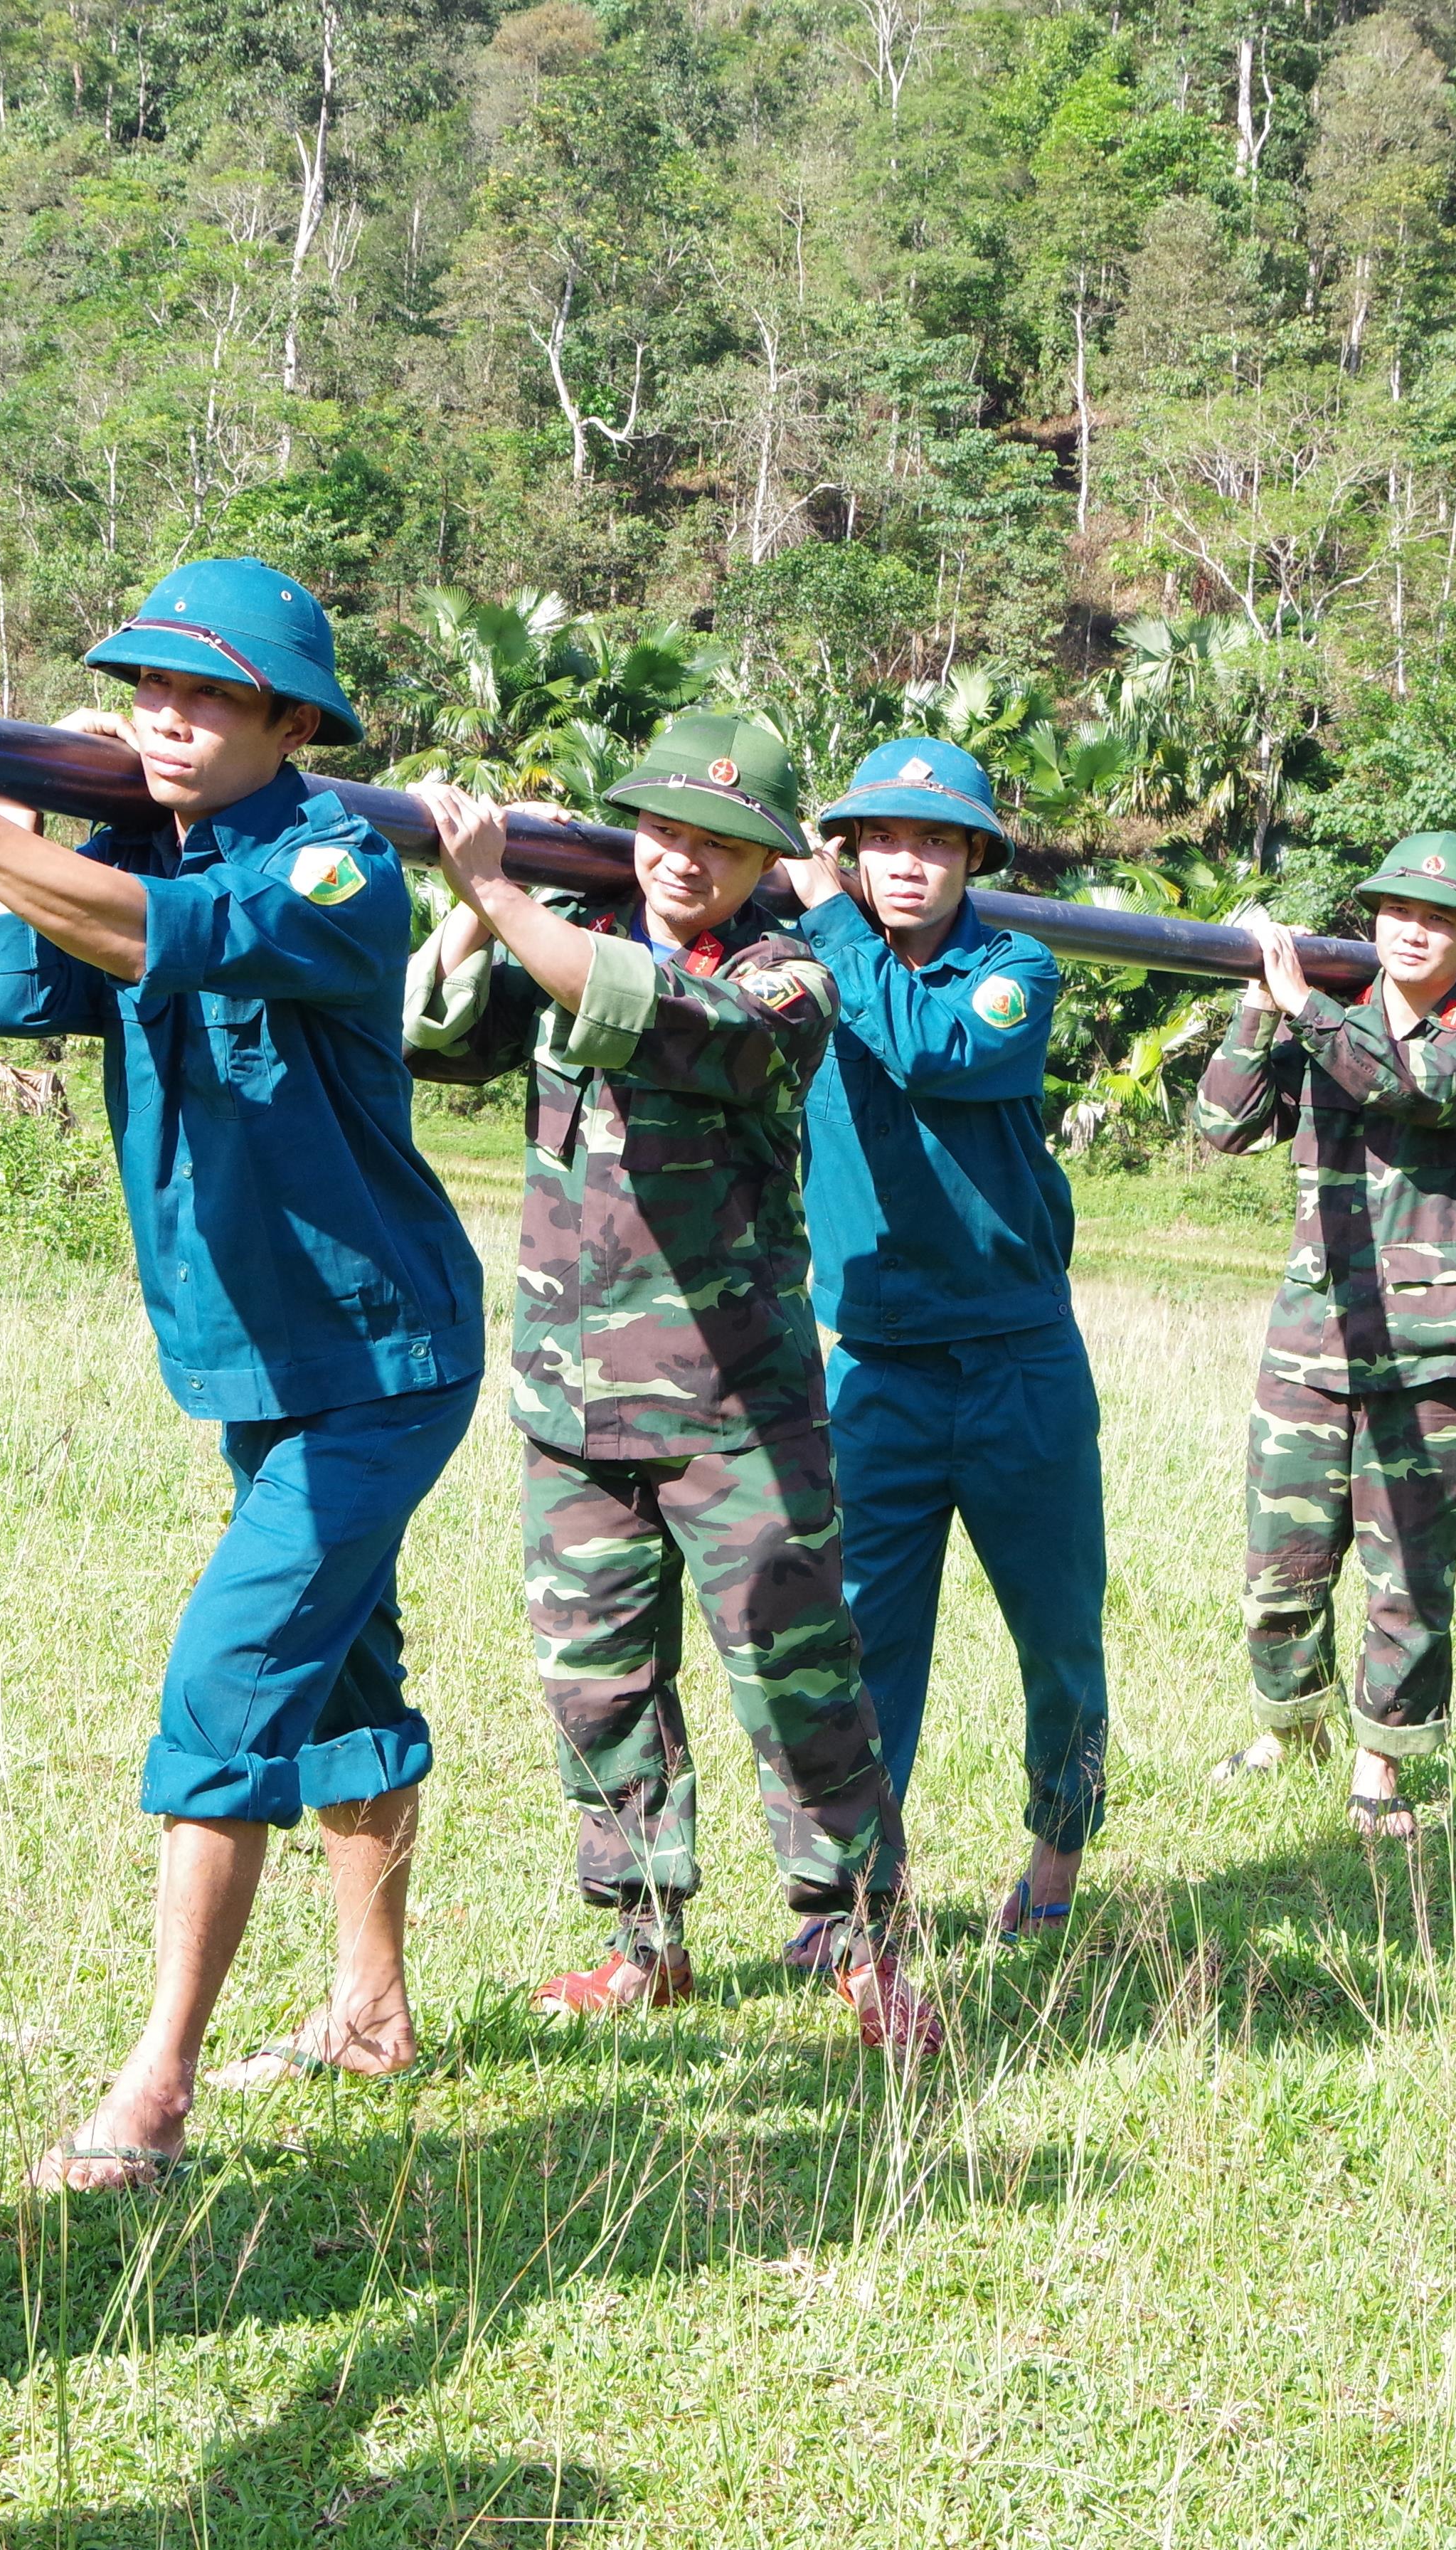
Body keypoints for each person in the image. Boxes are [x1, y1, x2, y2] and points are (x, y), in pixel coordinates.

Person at [0, 559, 486, 2190]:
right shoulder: (123, 841)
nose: (168, 715)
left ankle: (153, 2091)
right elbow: (15, 992)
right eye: (148, 689)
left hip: (379, 1359)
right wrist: (31, 799)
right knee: (344, 1680)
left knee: (226, 1694)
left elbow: (148, 936)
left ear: (290, 719)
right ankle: (370, 2015)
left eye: (210, 695)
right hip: (254, 1357)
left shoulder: (334, 865)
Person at [400, 712, 930, 2048]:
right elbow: (429, 1035)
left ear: (766, 861)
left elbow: (637, 1011)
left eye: (718, 841)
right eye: (659, 831)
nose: (679, 859)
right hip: (571, 1399)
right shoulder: (575, 925)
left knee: (796, 1678)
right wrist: (468, 909)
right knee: (596, 1684)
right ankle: (645, 1939)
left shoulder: (788, 981)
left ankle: (869, 1943)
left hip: (729, 1405)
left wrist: (503, 889)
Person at [778, 739, 1107, 1944]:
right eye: (880, 840)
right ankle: (856, 1899)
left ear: (973, 855)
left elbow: (934, 1048)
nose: (905, 864)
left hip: (1018, 1355)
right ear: (849, 848)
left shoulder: (1013, 968)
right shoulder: (800, 959)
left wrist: (827, 918)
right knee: (861, 1640)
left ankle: (1057, 1863)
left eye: (933, 841)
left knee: (1059, 1629)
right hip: (873, 1357)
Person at [1193, 832, 1456, 1839]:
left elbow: (1413, 1087)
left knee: (1408, 1573)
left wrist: (1306, 1004)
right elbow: (1223, 1125)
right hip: (1317, 1331)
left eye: (1439, 918)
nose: (1415, 931)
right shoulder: (1322, 1013)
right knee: (1280, 1561)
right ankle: (1287, 1731)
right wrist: (1263, 999)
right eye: (1397, 913)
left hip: (1435, 1346)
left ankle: (1382, 1768)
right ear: (1373, 921)